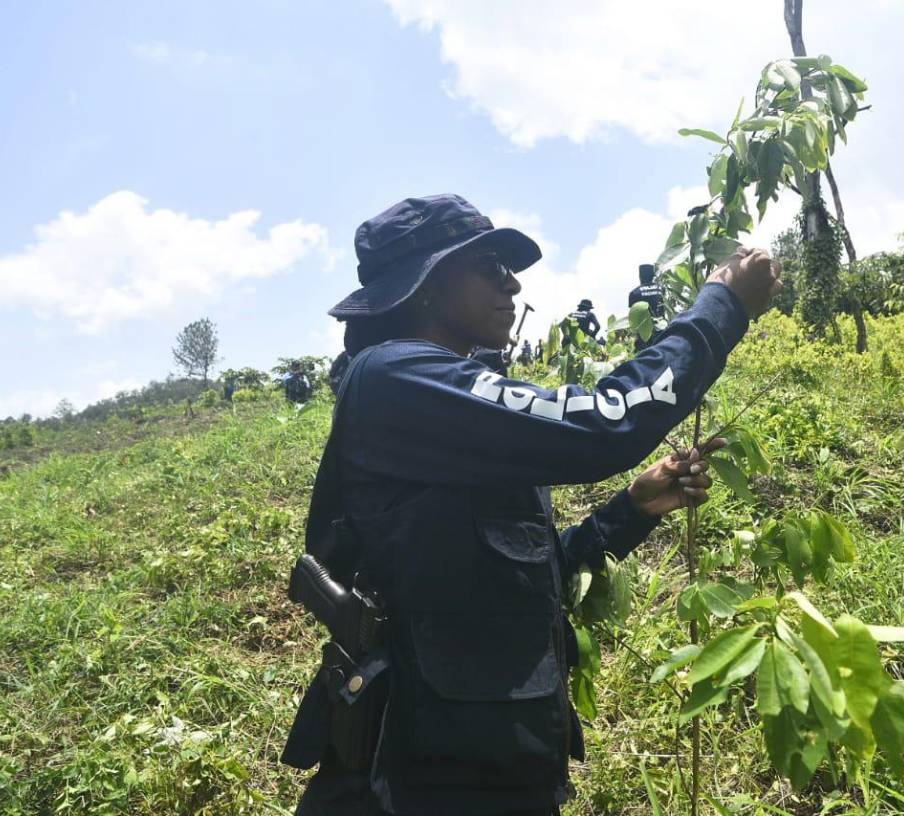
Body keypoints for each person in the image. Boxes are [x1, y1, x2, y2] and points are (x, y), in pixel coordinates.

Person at [283, 193, 782, 816]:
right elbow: (607, 422)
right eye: (488, 265)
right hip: (414, 782)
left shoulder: (451, 409)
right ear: (426, 286)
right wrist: (722, 306)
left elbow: (521, 576)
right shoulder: (394, 378)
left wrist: (630, 511)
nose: (511, 283)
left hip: (494, 769)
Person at [628, 263, 665, 351]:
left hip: (645, 336)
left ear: (640, 276)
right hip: (662, 330)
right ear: (652, 276)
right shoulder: (661, 289)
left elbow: (633, 317)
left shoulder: (635, 293)